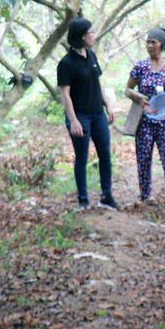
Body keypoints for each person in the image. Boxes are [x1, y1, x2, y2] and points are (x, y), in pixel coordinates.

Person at [57, 17, 118, 210]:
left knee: (105, 156)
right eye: (91, 32)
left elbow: (97, 82)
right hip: (80, 116)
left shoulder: (91, 56)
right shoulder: (66, 63)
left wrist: (107, 105)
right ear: (82, 36)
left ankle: (106, 196)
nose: (94, 36)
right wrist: (73, 120)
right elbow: (65, 94)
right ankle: (83, 200)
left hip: (97, 114)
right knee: (82, 157)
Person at [125, 26, 165, 208]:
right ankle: (146, 195)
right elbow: (127, 89)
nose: (150, 46)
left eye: (154, 42)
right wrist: (136, 95)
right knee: (144, 157)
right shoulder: (140, 67)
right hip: (144, 120)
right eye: (148, 42)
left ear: (163, 45)